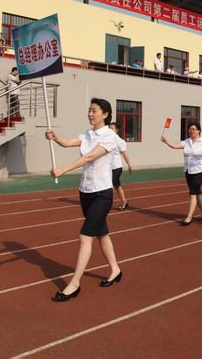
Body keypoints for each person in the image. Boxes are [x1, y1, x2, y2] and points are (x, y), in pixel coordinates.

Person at [45, 98, 122, 301]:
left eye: (94, 110)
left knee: (85, 236)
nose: (90, 114)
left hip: (102, 193)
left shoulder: (110, 136)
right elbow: (68, 143)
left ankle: (74, 283)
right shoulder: (87, 134)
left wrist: (63, 169)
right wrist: (55, 137)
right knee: (101, 234)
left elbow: (89, 157)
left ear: (105, 114)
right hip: (85, 191)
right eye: (89, 110)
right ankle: (115, 269)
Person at [161, 122, 202, 225]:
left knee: (192, 194)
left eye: (194, 129)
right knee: (197, 192)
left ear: (199, 131)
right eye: (190, 129)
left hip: (199, 172)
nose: (191, 131)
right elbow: (175, 146)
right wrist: (166, 141)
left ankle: (189, 217)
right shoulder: (186, 142)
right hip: (188, 171)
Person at [109, 122, 133, 211]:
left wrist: (129, 165)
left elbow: (124, 154)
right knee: (117, 186)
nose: (110, 130)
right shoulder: (107, 139)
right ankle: (124, 202)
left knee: (108, 185)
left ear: (116, 130)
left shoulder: (119, 141)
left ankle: (104, 204)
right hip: (109, 167)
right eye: (109, 128)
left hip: (116, 167)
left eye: (112, 129)